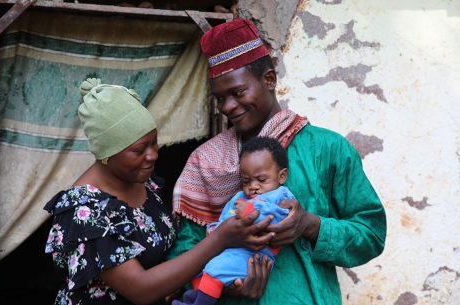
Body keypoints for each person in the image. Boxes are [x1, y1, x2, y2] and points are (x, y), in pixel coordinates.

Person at [168, 18, 387, 305]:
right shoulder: (205, 161)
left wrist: (310, 225)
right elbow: (184, 250)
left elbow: (371, 233)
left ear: (269, 79)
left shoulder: (327, 149)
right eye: (219, 98)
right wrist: (227, 283)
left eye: (237, 93)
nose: (227, 107)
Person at [43, 78, 276, 305]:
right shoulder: (84, 210)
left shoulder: (141, 181)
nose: (153, 154)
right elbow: (140, 290)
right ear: (106, 153)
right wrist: (220, 239)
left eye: (153, 142)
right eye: (139, 150)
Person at [174, 137, 296, 305]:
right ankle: (193, 298)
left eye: (261, 180)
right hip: (231, 250)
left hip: (255, 256)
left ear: (281, 176)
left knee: (216, 271)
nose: (253, 186)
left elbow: (280, 218)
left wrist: (248, 211)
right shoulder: (240, 197)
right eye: (246, 180)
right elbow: (225, 218)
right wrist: (214, 228)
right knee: (199, 268)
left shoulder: (281, 195)